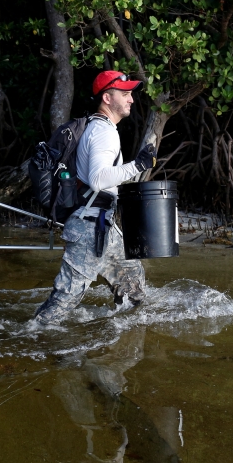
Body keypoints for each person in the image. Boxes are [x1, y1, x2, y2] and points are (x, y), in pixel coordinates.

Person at [34, 71, 157, 324]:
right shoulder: (103, 131)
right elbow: (99, 179)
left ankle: (122, 337)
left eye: (131, 93)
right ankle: (30, 337)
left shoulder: (99, 127)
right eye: (125, 94)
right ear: (107, 98)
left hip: (102, 225)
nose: (131, 99)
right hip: (89, 227)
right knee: (65, 298)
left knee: (132, 285)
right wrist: (139, 164)